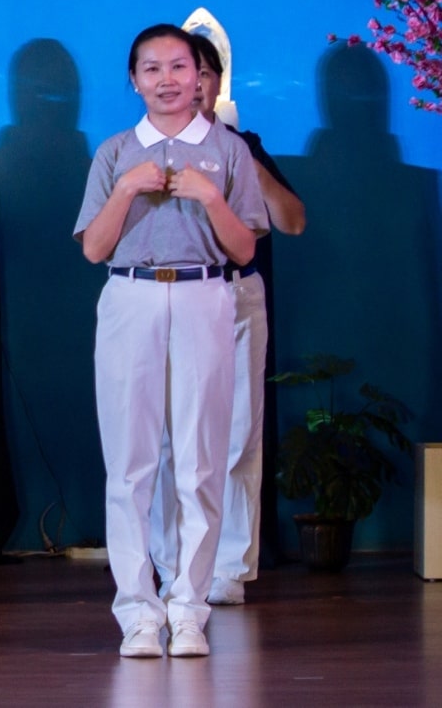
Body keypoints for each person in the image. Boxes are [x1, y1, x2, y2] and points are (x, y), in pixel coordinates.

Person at [75, 25, 268, 659]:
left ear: (201, 78)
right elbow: (96, 249)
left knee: (201, 458)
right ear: (134, 80)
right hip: (130, 295)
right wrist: (129, 186)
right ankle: (137, 609)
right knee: (130, 463)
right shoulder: (113, 152)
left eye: (179, 68)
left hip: (204, 295)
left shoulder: (228, 151)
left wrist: (210, 196)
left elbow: (244, 249)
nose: (166, 80)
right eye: (152, 69)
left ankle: (189, 607)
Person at [148, 34, 306, 606]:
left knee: (239, 435)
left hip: (237, 297)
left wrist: (238, 154)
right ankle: (170, 563)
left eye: (204, 75)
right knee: (169, 437)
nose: (195, 85)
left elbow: (292, 221)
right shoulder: (147, 143)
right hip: (171, 296)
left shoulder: (245, 145)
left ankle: (231, 567)